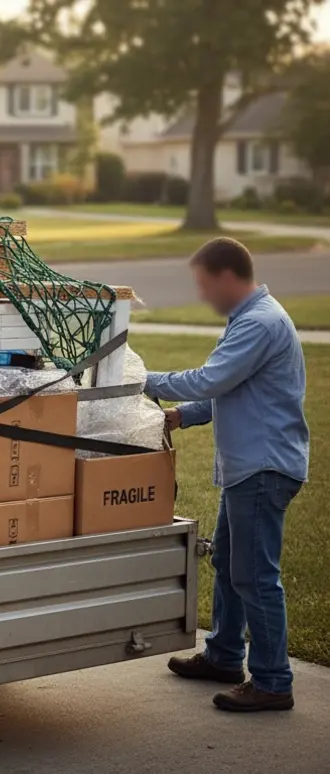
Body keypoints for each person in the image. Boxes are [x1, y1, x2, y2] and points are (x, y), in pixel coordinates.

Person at [144, 237, 309, 713]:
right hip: (248, 469)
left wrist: (142, 378)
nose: (202, 296)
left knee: (254, 576)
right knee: (231, 566)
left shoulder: (259, 323)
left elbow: (211, 378)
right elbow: (227, 391)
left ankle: (274, 681)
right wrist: (183, 415)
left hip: (262, 469)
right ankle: (223, 655)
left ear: (225, 276)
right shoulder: (253, 319)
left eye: (203, 285)